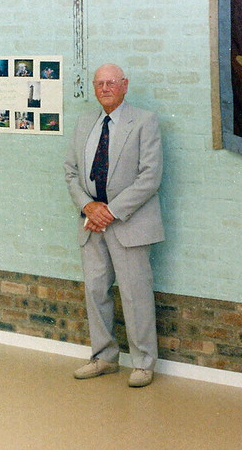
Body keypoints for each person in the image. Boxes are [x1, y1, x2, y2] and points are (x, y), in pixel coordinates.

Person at [64, 63, 164, 387]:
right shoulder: (83, 122)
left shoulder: (144, 122)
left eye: (111, 83)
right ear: (94, 88)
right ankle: (104, 357)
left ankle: (143, 363)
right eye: (99, 83)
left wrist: (111, 211)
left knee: (135, 294)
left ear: (125, 85)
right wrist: (88, 206)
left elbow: (150, 177)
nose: (105, 88)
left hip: (129, 224)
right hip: (91, 224)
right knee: (95, 290)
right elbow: (70, 172)